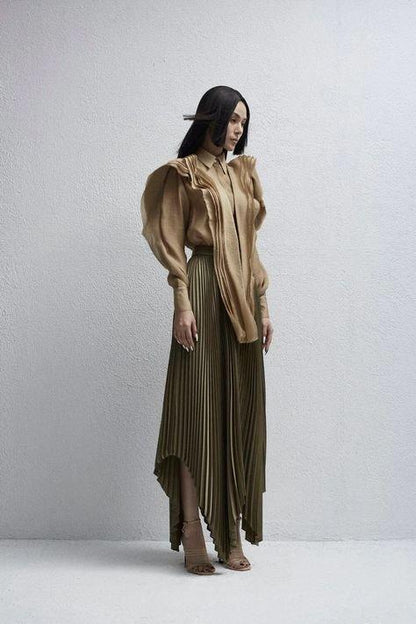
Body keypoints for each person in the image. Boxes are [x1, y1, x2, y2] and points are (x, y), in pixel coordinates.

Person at [140, 85, 274, 575]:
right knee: (196, 410)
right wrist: (181, 303)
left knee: (236, 411)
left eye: (243, 122)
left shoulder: (241, 174)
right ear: (211, 118)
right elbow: (172, 241)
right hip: (200, 288)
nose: (238, 130)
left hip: (241, 296)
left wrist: (263, 306)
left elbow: (251, 247)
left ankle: (231, 532)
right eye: (232, 119)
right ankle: (193, 530)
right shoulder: (184, 173)